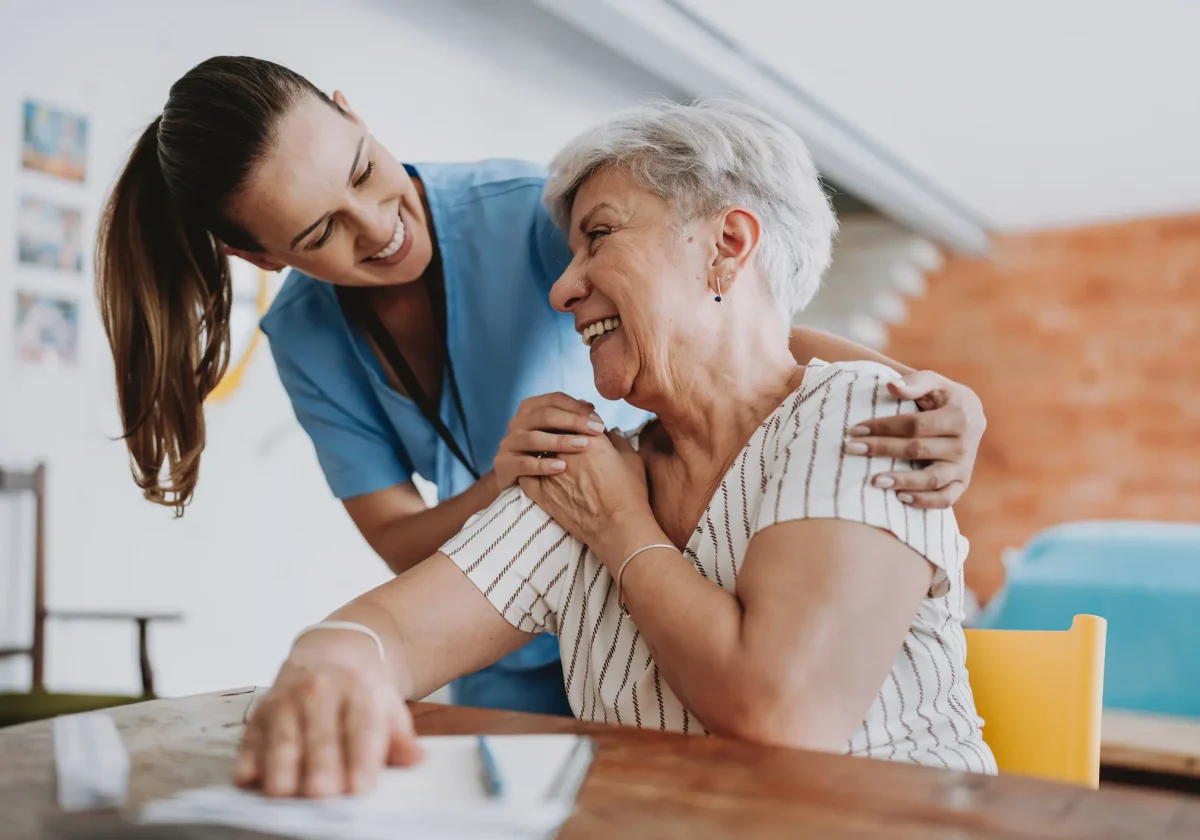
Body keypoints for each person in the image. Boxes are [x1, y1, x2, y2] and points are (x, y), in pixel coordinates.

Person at [94, 56, 987, 718]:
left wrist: (913, 389)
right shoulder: (310, 339)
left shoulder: (533, 212)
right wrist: (508, 487)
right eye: (320, 231)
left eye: (363, 170)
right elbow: (398, 567)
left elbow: (725, 325)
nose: (376, 227)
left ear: (353, 114)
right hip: (529, 616)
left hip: (641, 580)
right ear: (261, 258)